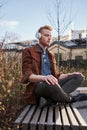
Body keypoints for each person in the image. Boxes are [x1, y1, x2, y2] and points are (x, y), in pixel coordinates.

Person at [21, 25, 87, 108]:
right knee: (51, 83)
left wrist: (70, 74)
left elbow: (55, 76)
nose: (49, 38)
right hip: (39, 86)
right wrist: (44, 78)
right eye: (46, 35)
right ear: (39, 36)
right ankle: (72, 99)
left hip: (53, 85)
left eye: (50, 36)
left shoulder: (51, 55)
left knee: (78, 77)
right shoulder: (29, 51)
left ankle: (50, 100)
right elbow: (27, 76)